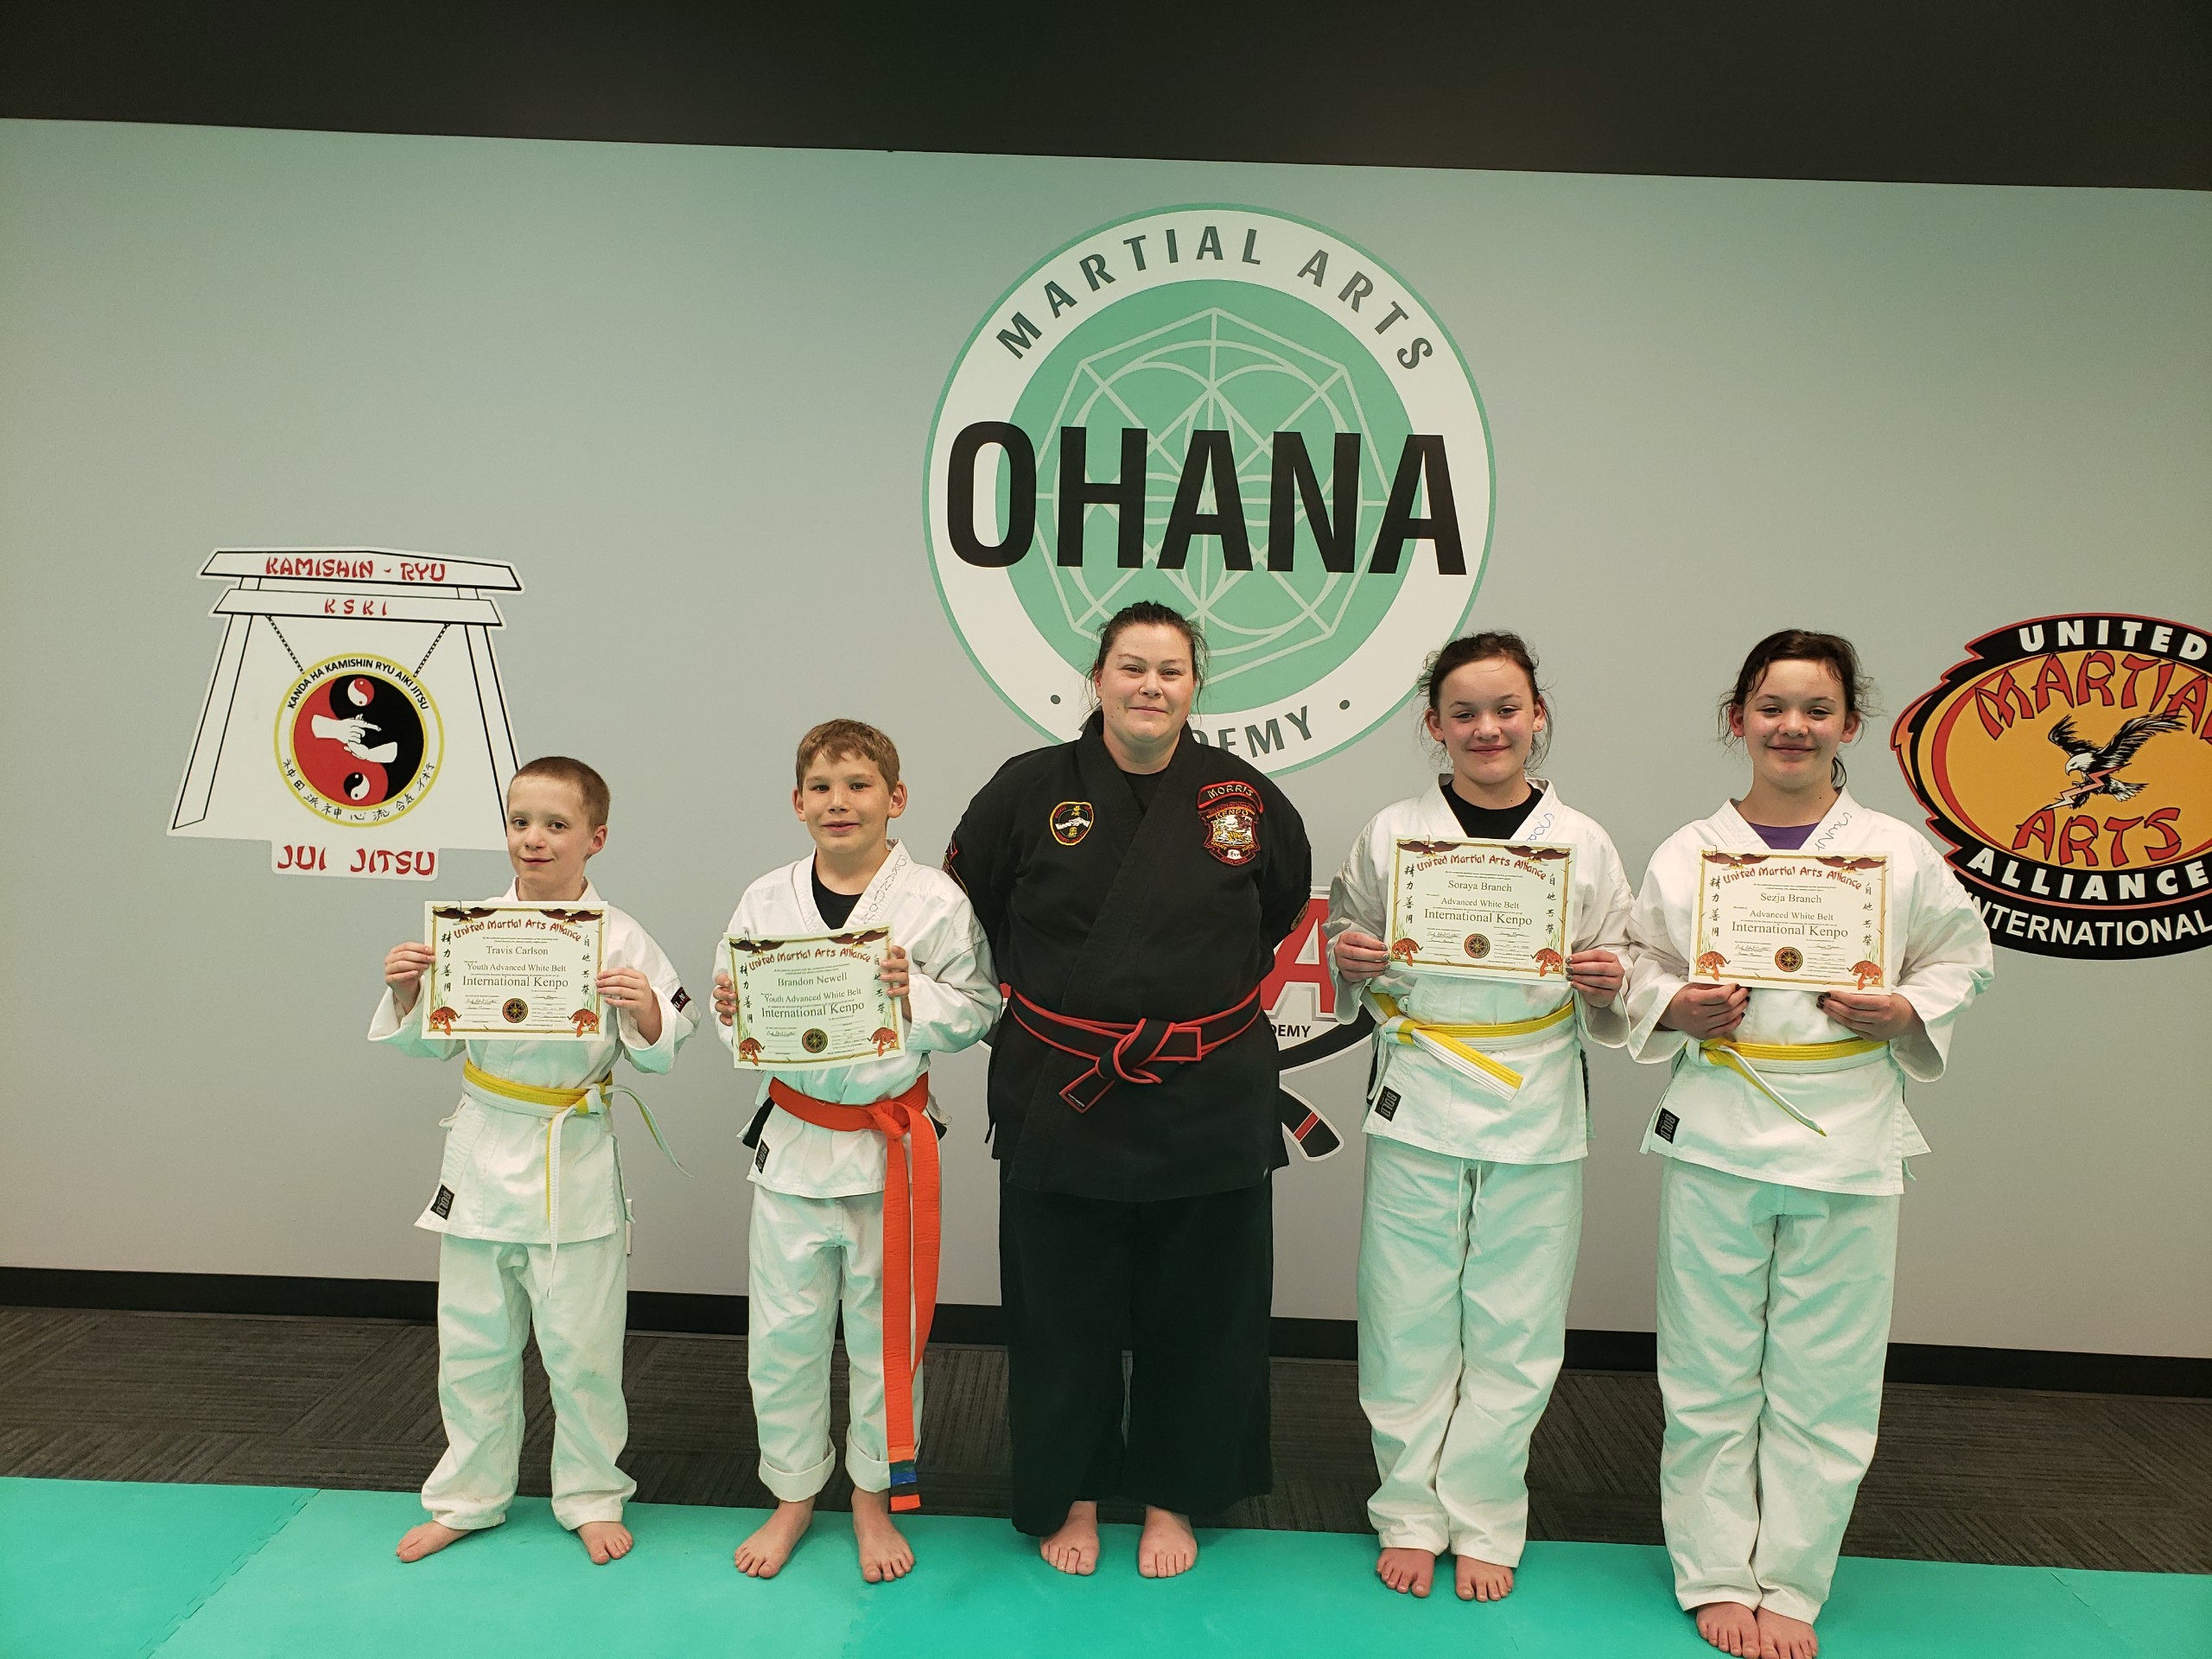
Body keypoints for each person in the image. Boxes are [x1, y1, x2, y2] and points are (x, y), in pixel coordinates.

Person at [1623, 631, 1993, 1659]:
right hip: (1717, 1128)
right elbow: (1637, 961)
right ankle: (1711, 1570)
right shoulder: (1687, 851)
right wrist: (1675, 1005)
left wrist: (1903, 1009)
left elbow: (1965, 959)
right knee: (1707, 1370)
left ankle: (1790, 1579)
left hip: (1846, 1130)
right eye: (1772, 707)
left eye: (1815, 709)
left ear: (1849, 725)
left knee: (1825, 1373)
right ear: (1735, 719)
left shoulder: (1894, 851)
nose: (1792, 727)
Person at [945, 601, 1313, 1580]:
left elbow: (1274, 909)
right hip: (1065, 1084)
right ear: (1096, 677)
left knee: (1202, 1308)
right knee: (1059, 1307)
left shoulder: (1243, 797)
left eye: (1171, 671)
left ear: (1197, 687)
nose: (1150, 687)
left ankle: (1170, 1498)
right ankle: (1067, 1491)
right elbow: (973, 903)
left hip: (1208, 1086)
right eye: (1132, 667)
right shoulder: (1026, 791)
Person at [1326, 631, 1633, 1605]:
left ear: (1537, 715)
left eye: (1506, 709)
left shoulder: (1582, 840)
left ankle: (1490, 1512)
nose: (1487, 728)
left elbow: (1617, 968)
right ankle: (1409, 1510)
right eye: (1464, 712)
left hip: (1535, 1088)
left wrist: (1604, 980)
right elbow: (1348, 940)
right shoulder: (1390, 832)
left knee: (1516, 1319)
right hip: (1419, 1082)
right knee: (1406, 1314)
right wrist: (1356, 962)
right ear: (1434, 726)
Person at [372, 755, 697, 1566]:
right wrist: (410, 989)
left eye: (556, 825)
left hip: (574, 1153)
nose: (535, 839)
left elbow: (670, 1043)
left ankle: (590, 1493)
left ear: (597, 838)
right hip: (484, 1148)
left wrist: (648, 1010)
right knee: (473, 1342)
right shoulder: (470, 927)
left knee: (582, 1349)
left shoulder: (622, 936)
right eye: (521, 822)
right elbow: (425, 1044)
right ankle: (468, 1496)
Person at [715, 720, 998, 1584]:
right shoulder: (766, 898)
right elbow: (739, 1015)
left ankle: (873, 1499)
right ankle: (795, 1495)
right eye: (822, 787)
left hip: (889, 1155)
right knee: (785, 1338)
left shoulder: (936, 903)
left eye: (859, 784)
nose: (840, 801)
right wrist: (734, 1002)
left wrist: (917, 999)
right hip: (795, 1146)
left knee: (887, 1340)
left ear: (895, 799)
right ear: (798, 805)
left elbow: (982, 1007)